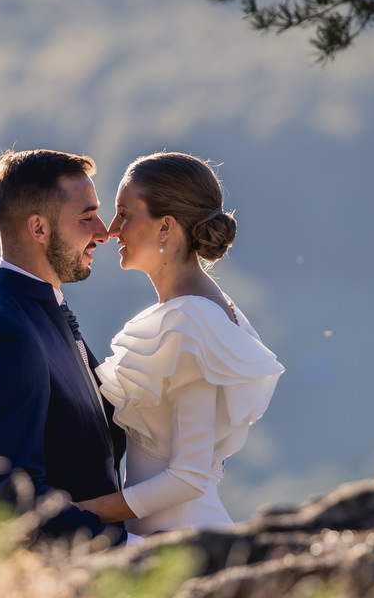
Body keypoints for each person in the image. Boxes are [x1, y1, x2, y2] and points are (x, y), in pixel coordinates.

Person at [73, 152, 283, 536]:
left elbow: (188, 476)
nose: (113, 229)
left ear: (165, 227)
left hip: (179, 548)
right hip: (158, 544)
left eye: (125, 212)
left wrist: (74, 515)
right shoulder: (196, 313)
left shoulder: (190, 323)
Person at [0, 148, 133, 545]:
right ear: (39, 229)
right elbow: (16, 504)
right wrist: (133, 554)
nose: (104, 232)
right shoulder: (3, 331)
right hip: (62, 587)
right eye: (87, 218)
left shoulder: (40, 311)